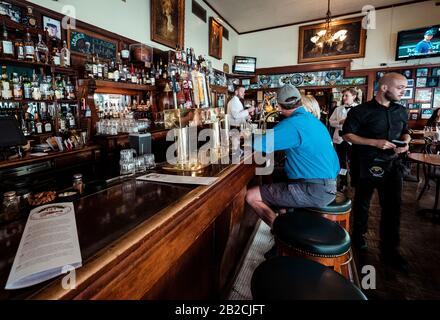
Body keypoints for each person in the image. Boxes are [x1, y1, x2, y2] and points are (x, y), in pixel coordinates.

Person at [246, 84, 340, 231]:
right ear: (300, 101)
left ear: (279, 106)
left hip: (314, 189)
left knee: (251, 196)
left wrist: (244, 137)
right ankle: (284, 215)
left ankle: (281, 232)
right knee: (271, 173)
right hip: (327, 183)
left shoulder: (293, 124)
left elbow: (259, 144)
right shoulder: (312, 120)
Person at [342, 72, 411, 271]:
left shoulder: (400, 111)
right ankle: (359, 237)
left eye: (404, 89)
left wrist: (405, 143)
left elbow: (405, 131)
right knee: (363, 203)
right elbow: (348, 134)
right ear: (384, 88)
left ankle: (390, 250)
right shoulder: (361, 111)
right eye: (400, 88)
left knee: (393, 208)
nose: (403, 92)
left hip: (392, 164)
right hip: (365, 163)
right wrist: (375, 142)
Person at [329, 87, 360, 191]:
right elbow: (330, 122)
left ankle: (355, 181)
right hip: (340, 139)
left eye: (346, 95)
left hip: (354, 140)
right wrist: (339, 122)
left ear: (354, 96)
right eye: (343, 95)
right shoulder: (338, 109)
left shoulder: (360, 109)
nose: (344, 97)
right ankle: (343, 182)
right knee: (341, 162)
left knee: (354, 162)